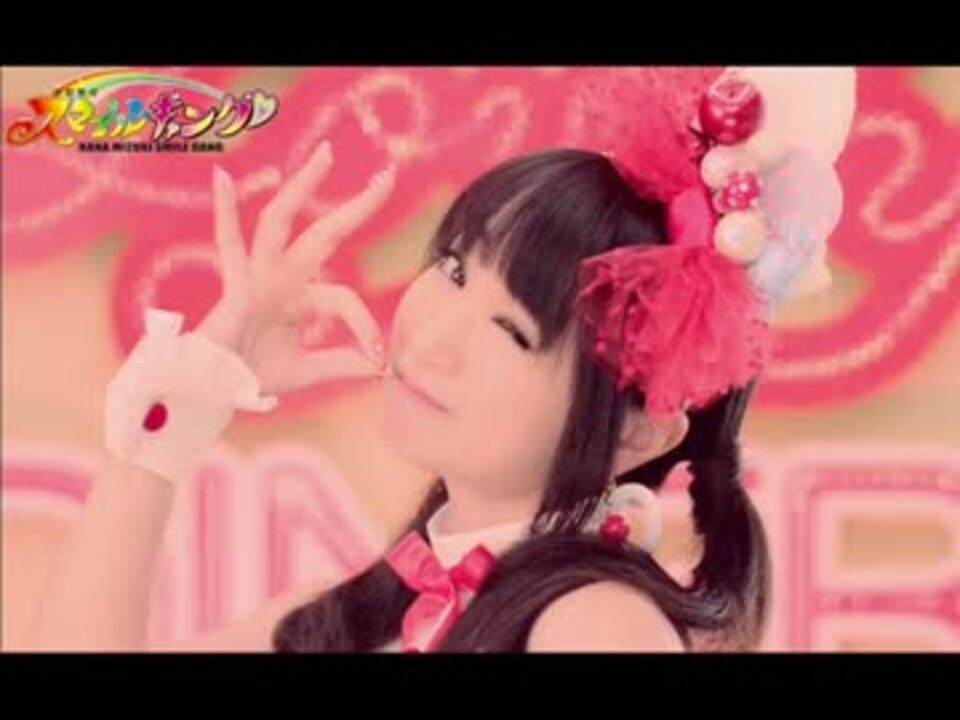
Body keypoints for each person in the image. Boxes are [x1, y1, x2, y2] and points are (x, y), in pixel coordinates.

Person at [30, 66, 854, 653]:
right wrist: (173, 420)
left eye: (512, 330)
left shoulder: (595, 624)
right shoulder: (374, 610)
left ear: (638, 430)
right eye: (455, 268)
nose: (432, 337)